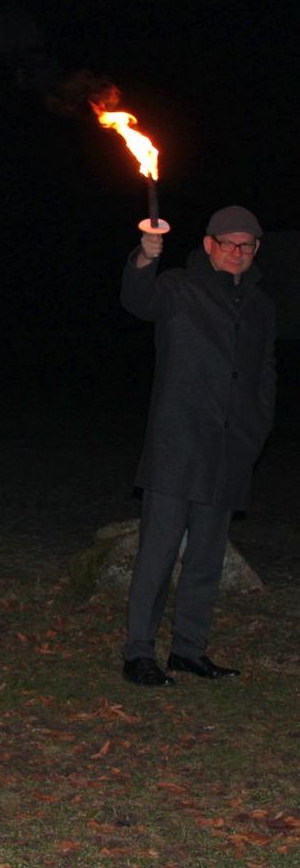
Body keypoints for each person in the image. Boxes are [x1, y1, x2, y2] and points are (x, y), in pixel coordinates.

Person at [119, 206, 276, 687]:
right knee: (158, 555)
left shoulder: (260, 305)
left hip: (229, 450)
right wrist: (145, 258)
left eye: (246, 245)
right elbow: (137, 299)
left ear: (255, 250)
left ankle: (188, 649)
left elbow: (264, 373)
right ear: (209, 245)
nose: (237, 252)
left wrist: (256, 429)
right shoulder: (179, 288)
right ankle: (138, 652)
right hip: (177, 446)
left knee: (207, 558)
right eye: (228, 243)